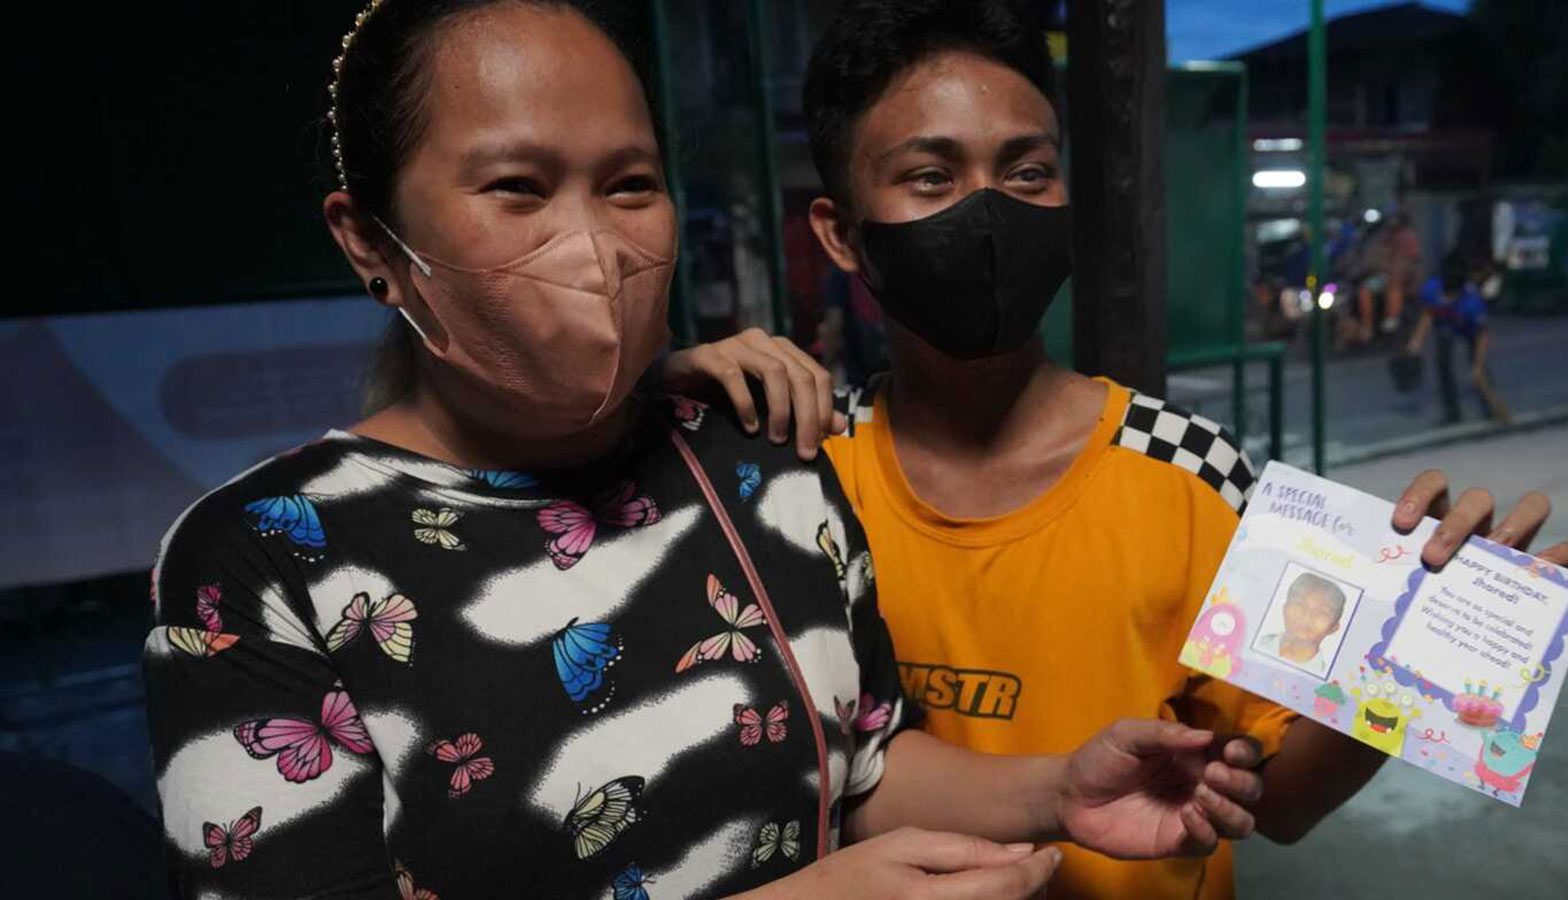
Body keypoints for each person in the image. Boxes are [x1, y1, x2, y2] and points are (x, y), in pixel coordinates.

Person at [143, 2, 1268, 898]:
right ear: (369, 241)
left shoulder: (763, 466)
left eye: (629, 184)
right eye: (517, 189)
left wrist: (1055, 791)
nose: (592, 244)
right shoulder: (264, 559)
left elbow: (863, 768)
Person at [660, 2, 1568, 898]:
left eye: (1027, 172)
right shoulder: (800, 475)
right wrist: (651, 404)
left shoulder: (1190, 471)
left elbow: (1283, 802)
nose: (988, 210)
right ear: (840, 235)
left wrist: (1408, 658)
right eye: (931, 177)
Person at [1407, 253, 1508, 425]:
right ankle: (1452, 413)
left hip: (1469, 328)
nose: (1446, 299)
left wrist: (1477, 365)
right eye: (1444, 294)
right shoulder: (1432, 288)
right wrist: (1416, 340)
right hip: (1446, 324)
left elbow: (1482, 335)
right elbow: (1429, 312)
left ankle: (1491, 408)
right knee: (1442, 363)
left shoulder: (1473, 303)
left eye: (1451, 295)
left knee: (1479, 370)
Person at [1252, 573, 1348, 676]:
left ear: (1334, 628)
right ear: (1285, 608)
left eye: (1321, 612)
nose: (1307, 615)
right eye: (1300, 604)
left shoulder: (1327, 680)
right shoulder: (1251, 643)